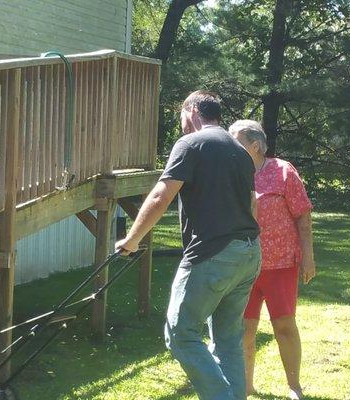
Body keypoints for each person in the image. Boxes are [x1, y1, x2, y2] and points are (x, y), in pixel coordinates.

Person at [116, 91, 261, 400]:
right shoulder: (239, 151)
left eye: (181, 115)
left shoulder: (191, 144)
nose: (180, 123)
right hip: (249, 252)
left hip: (213, 254)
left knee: (180, 334)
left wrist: (132, 240)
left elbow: (160, 196)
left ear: (193, 111)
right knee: (227, 339)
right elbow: (252, 205)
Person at [229, 120, 315, 400]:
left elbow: (302, 215)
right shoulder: (232, 172)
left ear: (255, 146)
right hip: (244, 264)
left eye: (236, 140)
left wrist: (308, 257)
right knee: (244, 329)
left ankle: (294, 387)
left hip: (280, 264)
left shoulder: (282, 171)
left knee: (284, 326)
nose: (230, 145)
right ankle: (245, 386)